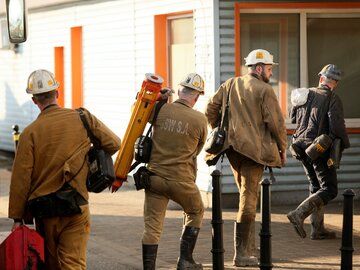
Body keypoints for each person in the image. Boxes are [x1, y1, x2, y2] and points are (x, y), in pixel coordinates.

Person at [8, 69, 121, 269]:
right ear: (57, 94)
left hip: (46, 213)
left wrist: (18, 219)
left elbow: (20, 179)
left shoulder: (29, 134)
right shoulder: (82, 117)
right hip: (77, 206)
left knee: (52, 264)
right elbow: (114, 144)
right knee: (73, 263)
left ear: (34, 100)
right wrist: (86, 152)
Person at [204, 49, 288, 267]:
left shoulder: (230, 84)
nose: (271, 73)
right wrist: (283, 147)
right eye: (269, 69)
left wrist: (219, 129)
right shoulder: (265, 90)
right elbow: (276, 123)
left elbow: (209, 109)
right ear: (259, 68)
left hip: (232, 149)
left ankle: (249, 248)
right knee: (249, 200)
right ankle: (242, 254)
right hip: (253, 153)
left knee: (244, 194)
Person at [141, 73, 207, 270]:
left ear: (179, 91)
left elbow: (138, 113)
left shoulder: (160, 109)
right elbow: (197, 150)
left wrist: (158, 98)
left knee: (152, 227)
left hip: (154, 178)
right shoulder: (199, 119)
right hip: (181, 181)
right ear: (197, 97)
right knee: (196, 210)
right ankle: (185, 260)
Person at [287, 64, 350, 240]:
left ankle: (318, 229)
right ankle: (298, 214)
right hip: (318, 149)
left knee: (316, 187)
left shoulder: (305, 94)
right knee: (329, 189)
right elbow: (337, 127)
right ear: (335, 82)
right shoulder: (332, 98)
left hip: (299, 146)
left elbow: (293, 118)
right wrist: (345, 143)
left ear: (321, 78)